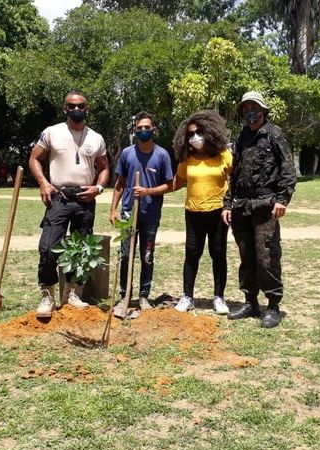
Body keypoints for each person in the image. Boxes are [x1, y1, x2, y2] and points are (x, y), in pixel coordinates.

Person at [29, 91, 109, 318]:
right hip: (59, 198)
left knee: (82, 248)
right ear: (65, 109)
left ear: (87, 108)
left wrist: (98, 188)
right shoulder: (51, 132)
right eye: (72, 106)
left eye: (81, 105)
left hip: (85, 198)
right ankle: (48, 295)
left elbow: (104, 167)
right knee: (48, 247)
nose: (77, 109)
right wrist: (44, 183)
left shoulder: (96, 138)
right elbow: (34, 158)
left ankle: (72, 292)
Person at [222, 91, 296, 328]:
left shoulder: (275, 134)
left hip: (266, 206)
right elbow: (235, 173)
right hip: (242, 207)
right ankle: (250, 302)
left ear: (263, 110)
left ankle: (273, 305)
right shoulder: (243, 137)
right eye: (245, 108)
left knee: (267, 257)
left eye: (253, 107)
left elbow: (287, 168)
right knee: (247, 257)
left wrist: (282, 199)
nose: (249, 112)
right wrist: (227, 202)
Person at [110, 111, 173, 319]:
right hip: (129, 213)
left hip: (151, 214)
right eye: (139, 128)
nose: (143, 131)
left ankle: (144, 295)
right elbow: (119, 184)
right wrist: (113, 209)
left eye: (147, 127)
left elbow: (169, 185)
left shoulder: (162, 155)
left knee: (147, 257)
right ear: (135, 131)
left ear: (154, 129)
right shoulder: (127, 153)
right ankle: (123, 295)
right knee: (127, 255)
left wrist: (148, 192)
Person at [170, 110, 232, 315]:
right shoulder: (187, 159)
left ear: (210, 132)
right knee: (192, 254)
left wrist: (229, 205)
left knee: (218, 254)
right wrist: (148, 191)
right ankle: (187, 296)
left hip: (218, 213)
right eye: (190, 134)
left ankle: (219, 298)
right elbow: (177, 183)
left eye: (198, 132)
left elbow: (237, 180)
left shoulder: (224, 155)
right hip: (193, 212)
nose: (194, 137)